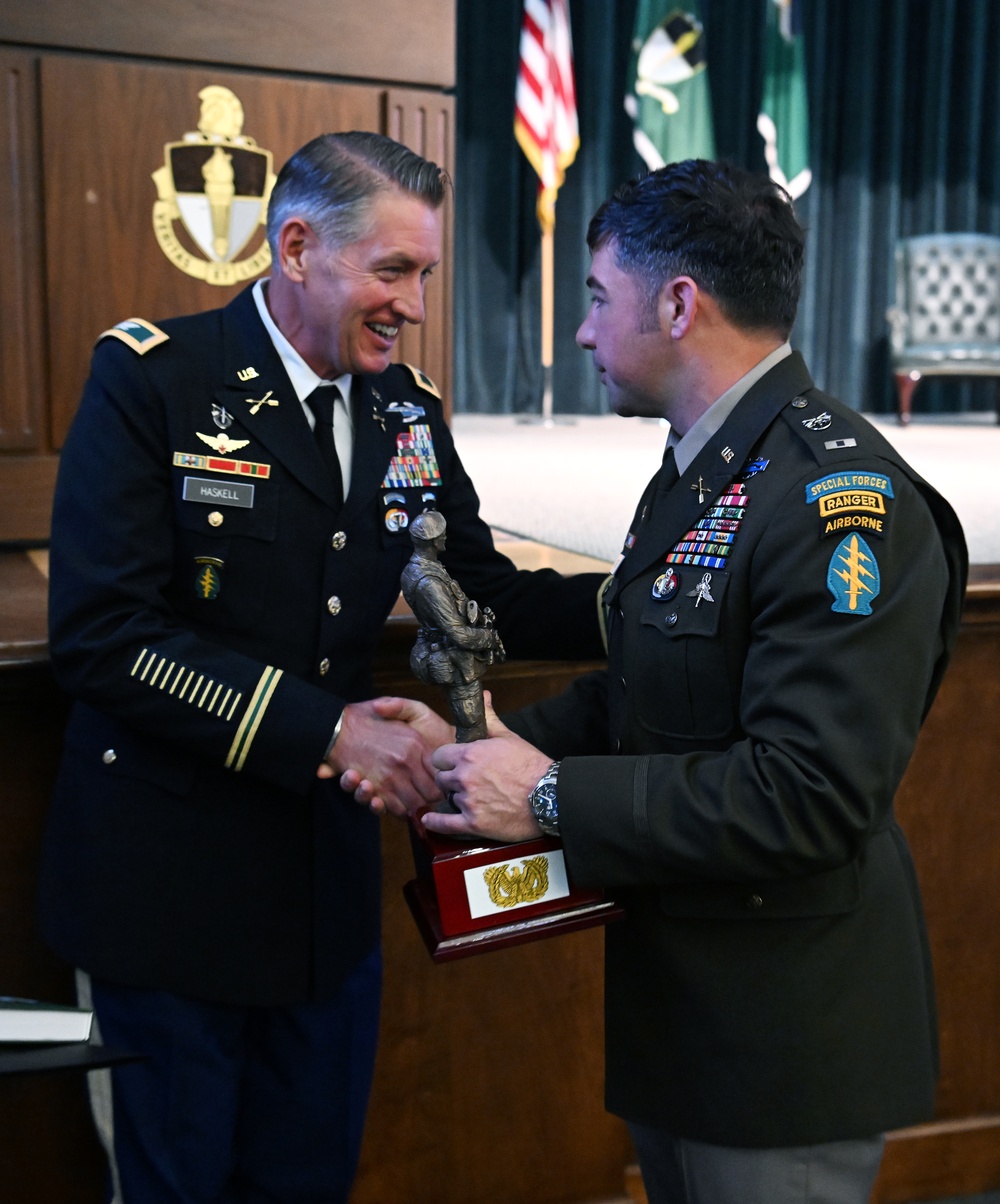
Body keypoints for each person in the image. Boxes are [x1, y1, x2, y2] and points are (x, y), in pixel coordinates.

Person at [38, 131, 607, 1204]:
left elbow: (478, 590)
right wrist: (331, 730)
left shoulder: (403, 409)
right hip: (165, 899)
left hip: (319, 910)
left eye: (425, 274)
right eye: (392, 271)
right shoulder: (157, 379)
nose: (416, 303)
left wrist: (656, 606)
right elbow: (104, 636)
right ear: (297, 247)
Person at [414, 161, 969, 1204]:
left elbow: (804, 796)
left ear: (677, 304)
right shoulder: (711, 466)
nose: (581, 332)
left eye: (593, 297)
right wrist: (472, 747)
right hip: (689, 1016)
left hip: (778, 1043)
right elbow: (649, 694)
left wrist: (540, 797)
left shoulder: (835, 498)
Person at [401, 510, 504, 742]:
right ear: (433, 541)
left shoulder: (421, 568)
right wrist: (489, 638)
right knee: (472, 731)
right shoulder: (428, 582)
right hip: (457, 664)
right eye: (442, 535)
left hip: (451, 654)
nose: (446, 538)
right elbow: (459, 635)